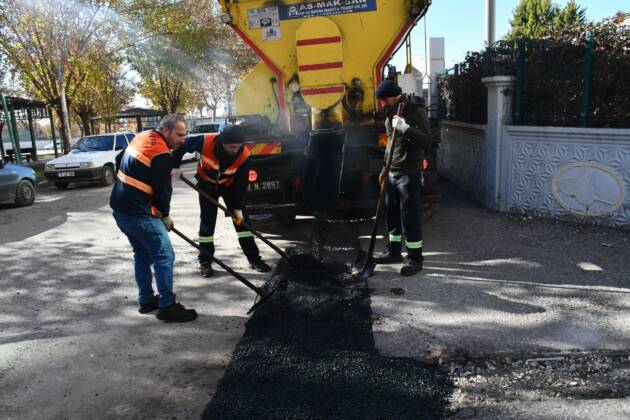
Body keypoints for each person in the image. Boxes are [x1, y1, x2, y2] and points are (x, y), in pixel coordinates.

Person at [110, 114, 197, 322]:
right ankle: (167, 306)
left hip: (120, 210)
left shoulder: (142, 137)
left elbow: (119, 160)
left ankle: (147, 300)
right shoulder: (161, 154)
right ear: (165, 131)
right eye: (178, 134)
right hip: (139, 214)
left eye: (184, 135)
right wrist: (164, 215)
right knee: (164, 256)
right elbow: (163, 190)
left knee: (142, 254)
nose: (182, 139)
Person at [172, 124, 271, 278]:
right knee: (207, 224)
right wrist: (175, 166)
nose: (235, 150)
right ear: (223, 141)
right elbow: (181, 146)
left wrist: (237, 207)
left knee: (241, 223)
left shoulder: (243, 155)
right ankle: (205, 261)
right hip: (206, 185)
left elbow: (241, 184)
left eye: (238, 146)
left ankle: (254, 259)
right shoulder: (205, 141)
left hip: (229, 187)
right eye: (232, 146)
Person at [374, 79, 432, 276]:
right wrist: (384, 168)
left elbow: (426, 139)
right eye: (380, 100)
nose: (382, 104)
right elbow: (390, 143)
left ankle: (415, 259)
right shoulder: (390, 112)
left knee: (409, 216)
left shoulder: (415, 111)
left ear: (395, 95)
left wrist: (406, 128)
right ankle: (394, 251)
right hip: (392, 171)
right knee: (391, 213)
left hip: (409, 171)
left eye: (384, 99)